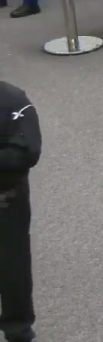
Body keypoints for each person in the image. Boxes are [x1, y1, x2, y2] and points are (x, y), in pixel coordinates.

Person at [0, 81, 40, 342]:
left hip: (6, 198)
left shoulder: (12, 100)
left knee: (13, 268)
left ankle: (18, 331)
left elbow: (28, 154)